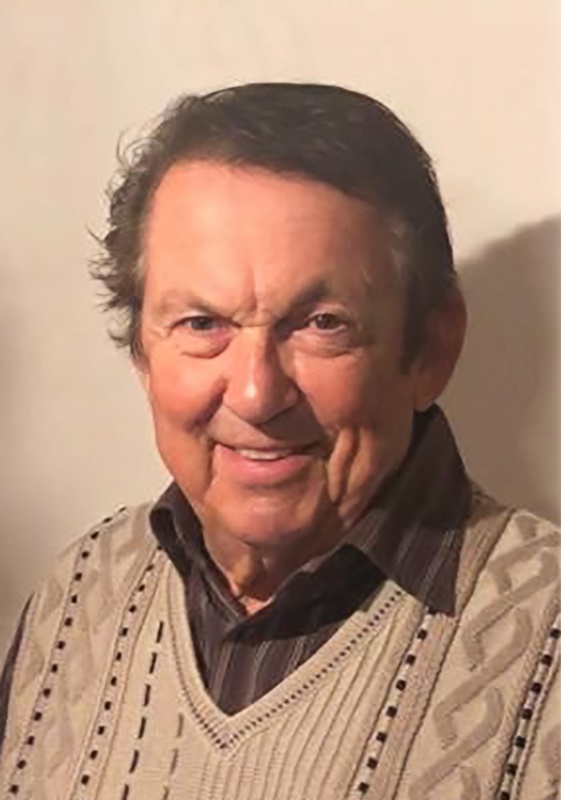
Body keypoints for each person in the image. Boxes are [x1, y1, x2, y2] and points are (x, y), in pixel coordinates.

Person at [0, 83, 558, 800]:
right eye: (202, 324)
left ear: (430, 349)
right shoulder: (76, 597)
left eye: (322, 324)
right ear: (142, 351)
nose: (256, 394)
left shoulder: (545, 640)